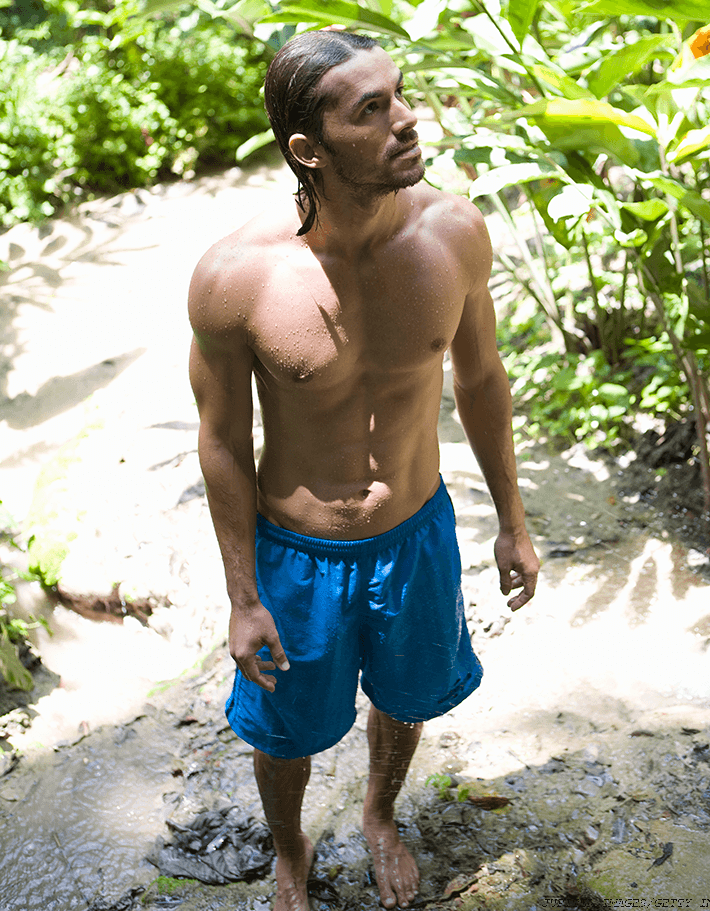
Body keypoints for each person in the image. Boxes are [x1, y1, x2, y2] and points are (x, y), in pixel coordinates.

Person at [188, 28, 539, 911]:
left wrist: (513, 519)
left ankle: (380, 811)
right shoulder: (237, 277)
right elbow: (224, 439)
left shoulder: (453, 232)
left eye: (400, 95)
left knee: (408, 690)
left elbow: (482, 377)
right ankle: (291, 849)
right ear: (309, 148)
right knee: (286, 726)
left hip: (416, 531)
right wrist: (242, 596)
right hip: (299, 551)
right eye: (372, 110)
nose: (407, 121)